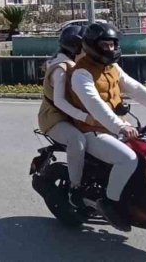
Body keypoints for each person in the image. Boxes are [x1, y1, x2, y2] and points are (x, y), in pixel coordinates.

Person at [67, 22, 146, 232]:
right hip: (91, 131)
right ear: (91, 46)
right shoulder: (81, 74)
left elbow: (135, 88)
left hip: (115, 128)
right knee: (128, 159)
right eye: (105, 45)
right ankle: (111, 202)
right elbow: (95, 105)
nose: (110, 50)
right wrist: (120, 127)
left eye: (113, 45)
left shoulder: (112, 67)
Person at [37, 25, 94, 209]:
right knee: (77, 141)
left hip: (73, 117)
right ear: (76, 47)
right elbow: (60, 102)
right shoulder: (60, 68)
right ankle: (75, 188)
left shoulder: (78, 65)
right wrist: (84, 117)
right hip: (55, 118)